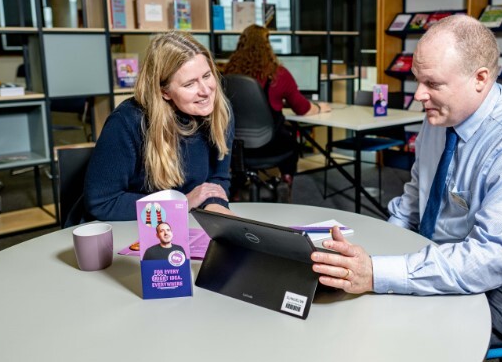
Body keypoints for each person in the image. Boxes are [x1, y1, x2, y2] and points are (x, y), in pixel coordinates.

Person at [310, 14, 502, 347]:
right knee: (359, 303)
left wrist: (377, 273)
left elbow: (489, 260)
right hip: (449, 254)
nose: (418, 95)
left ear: (480, 78)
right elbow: (414, 199)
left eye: (432, 84)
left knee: (393, 328)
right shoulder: (440, 117)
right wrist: (375, 255)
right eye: (418, 80)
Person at [84, 31, 234, 221]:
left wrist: (216, 210)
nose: (206, 91)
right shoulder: (127, 122)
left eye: (207, 75)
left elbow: (217, 180)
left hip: (183, 221)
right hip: (127, 227)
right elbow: (102, 202)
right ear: (164, 92)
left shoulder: (219, 110)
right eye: (189, 84)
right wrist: (183, 204)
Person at [222, 24, 331, 193]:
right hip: (270, 143)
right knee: (293, 143)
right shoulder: (278, 74)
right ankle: (286, 180)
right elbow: (302, 108)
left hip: (235, 146)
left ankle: (237, 190)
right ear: (268, 46)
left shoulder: (228, 73)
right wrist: (319, 107)